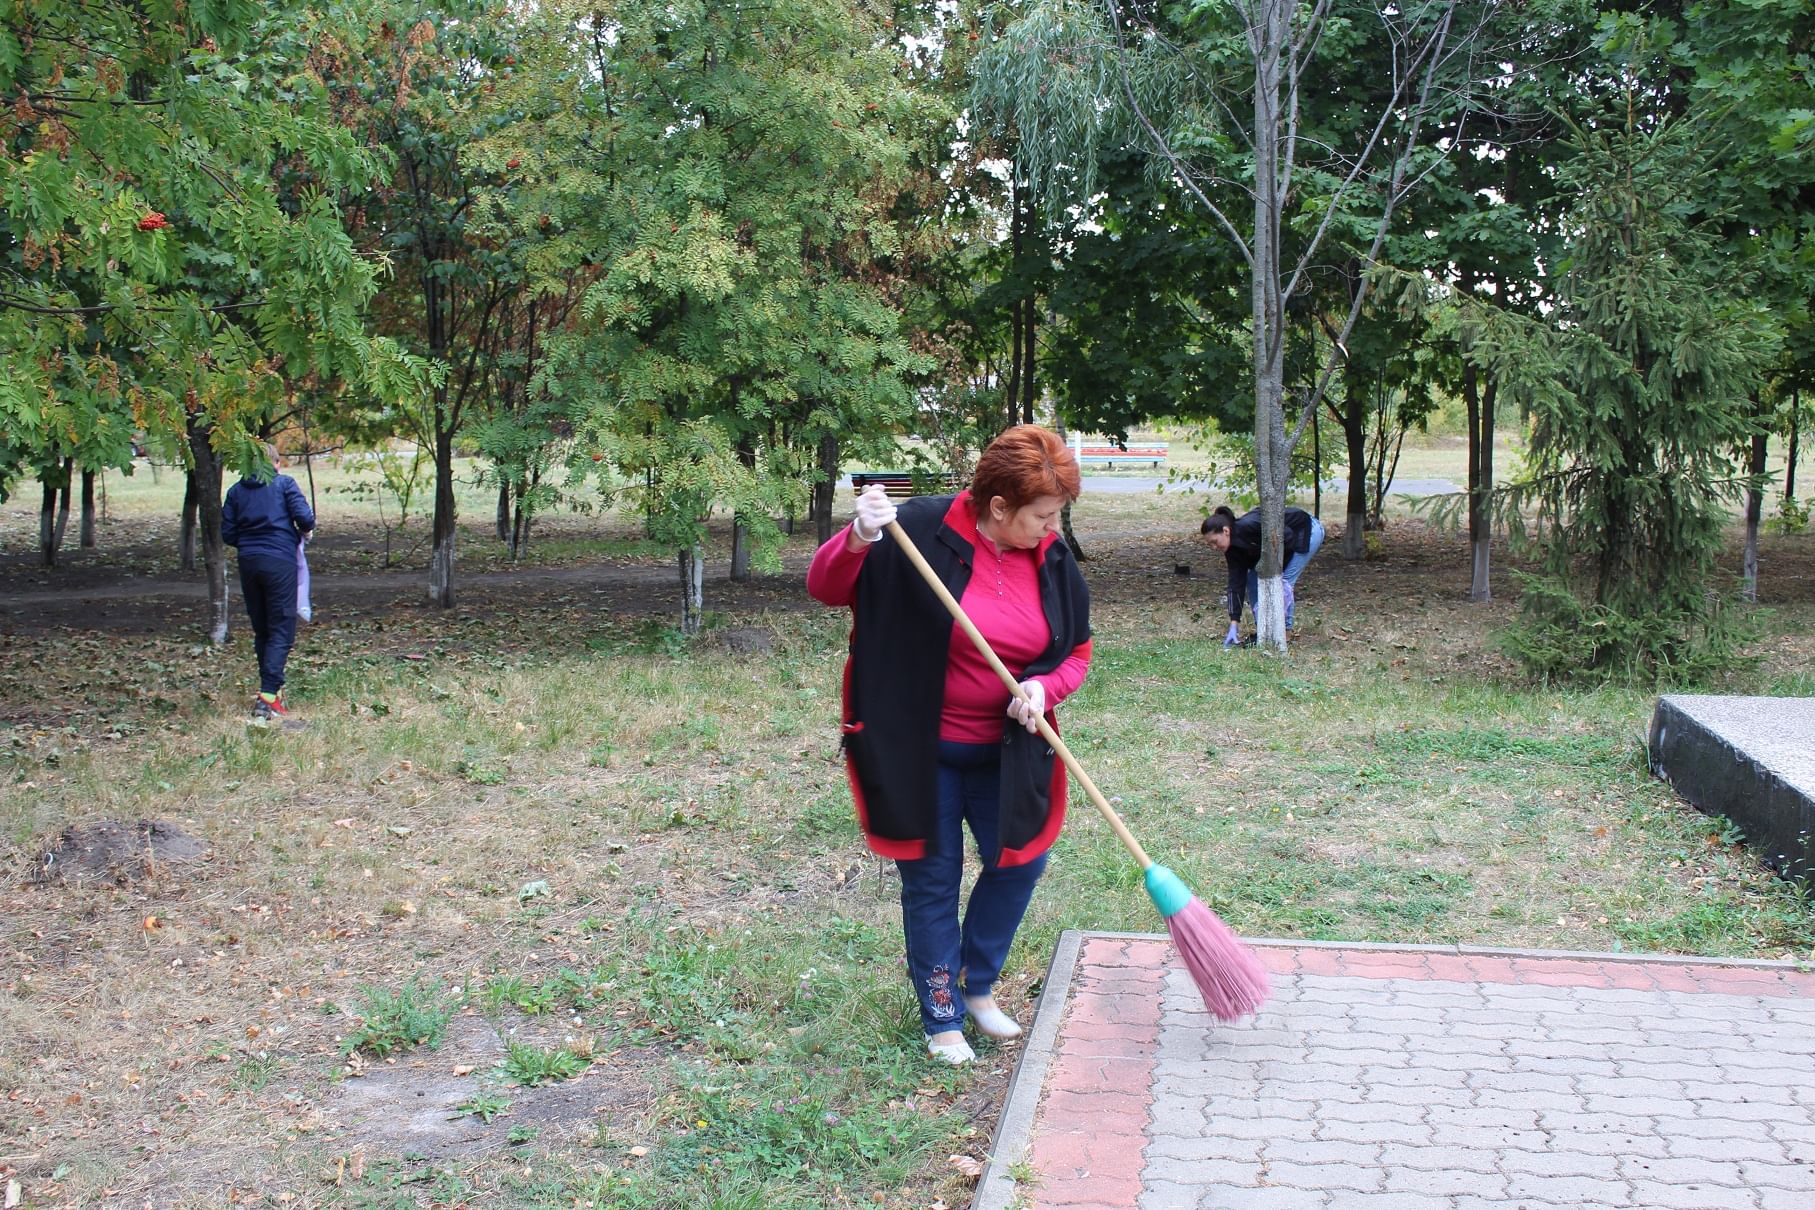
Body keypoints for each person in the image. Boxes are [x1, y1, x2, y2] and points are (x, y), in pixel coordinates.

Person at [807, 426, 1092, 1065]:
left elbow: (1076, 652)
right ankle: (941, 1015)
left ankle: (977, 985)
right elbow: (825, 588)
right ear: (998, 507)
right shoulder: (917, 530)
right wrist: (859, 536)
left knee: (1019, 859)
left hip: (1008, 751)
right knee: (932, 879)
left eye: (1055, 517)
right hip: (918, 747)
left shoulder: (1049, 557)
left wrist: (1045, 689)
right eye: (1041, 516)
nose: (1050, 529)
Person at [221, 445, 315, 721]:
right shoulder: (284, 484)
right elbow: (306, 518)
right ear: (275, 462)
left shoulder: (236, 491)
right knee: (282, 627)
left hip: (249, 562)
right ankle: (268, 696)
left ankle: (272, 691)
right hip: (280, 563)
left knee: (262, 629)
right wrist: (297, 535)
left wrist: (250, 545)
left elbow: (228, 533)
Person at [1200, 503, 1324, 645]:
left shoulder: (1249, 525)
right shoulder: (1232, 549)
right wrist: (1234, 623)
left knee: (1282, 582)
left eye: (1214, 542)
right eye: (1210, 544)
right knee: (1253, 580)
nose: (1214, 547)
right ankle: (1264, 630)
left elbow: (1287, 536)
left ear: (1226, 531)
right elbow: (1236, 583)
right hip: (1282, 544)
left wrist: (1274, 570)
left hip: (1305, 531)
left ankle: (1284, 633)